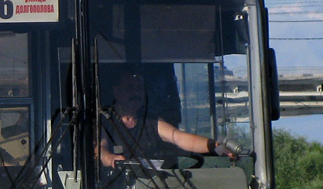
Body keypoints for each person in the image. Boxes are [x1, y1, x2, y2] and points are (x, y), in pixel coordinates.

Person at [99, 68, 230, 168]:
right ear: (116, 91)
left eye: (139, 88)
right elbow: (100, 149)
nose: (136, 93)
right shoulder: (104, 120)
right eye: (130, 88)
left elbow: (180, 138)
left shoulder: (150, 121)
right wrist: (110, 158)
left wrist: (216, 146)